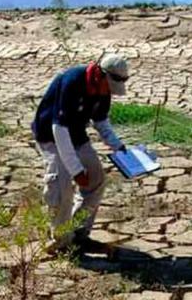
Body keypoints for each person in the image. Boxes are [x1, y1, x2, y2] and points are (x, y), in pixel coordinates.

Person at [32, 54, 129, 251]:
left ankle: (78, 233)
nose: (108, 92)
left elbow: (100, 121)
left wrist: (117, 145)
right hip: (51, 136)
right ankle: (60, 241)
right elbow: (59, 129)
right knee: (61, 186)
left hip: (76, 134)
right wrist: (76, 170)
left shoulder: (104, 88)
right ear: (101, 75)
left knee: (96, 179)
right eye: (109, 87)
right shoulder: (72, 81)